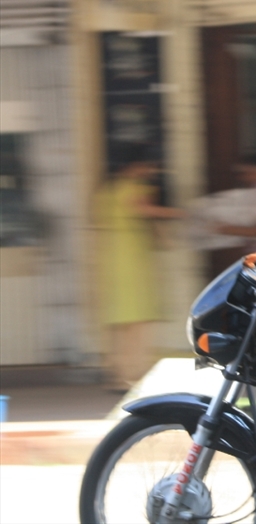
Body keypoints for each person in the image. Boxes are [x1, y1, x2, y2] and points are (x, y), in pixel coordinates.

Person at [95, 148, 181, 391]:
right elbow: (143, 209)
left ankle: (119, 373)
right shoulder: (132, 187)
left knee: (122, 322)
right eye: (147, 166)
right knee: (137, 320)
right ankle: (134, 374)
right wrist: (181, 214)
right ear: (135, 166)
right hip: (132, 263)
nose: (150, 171)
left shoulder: (107, 190)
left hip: (114, 259)